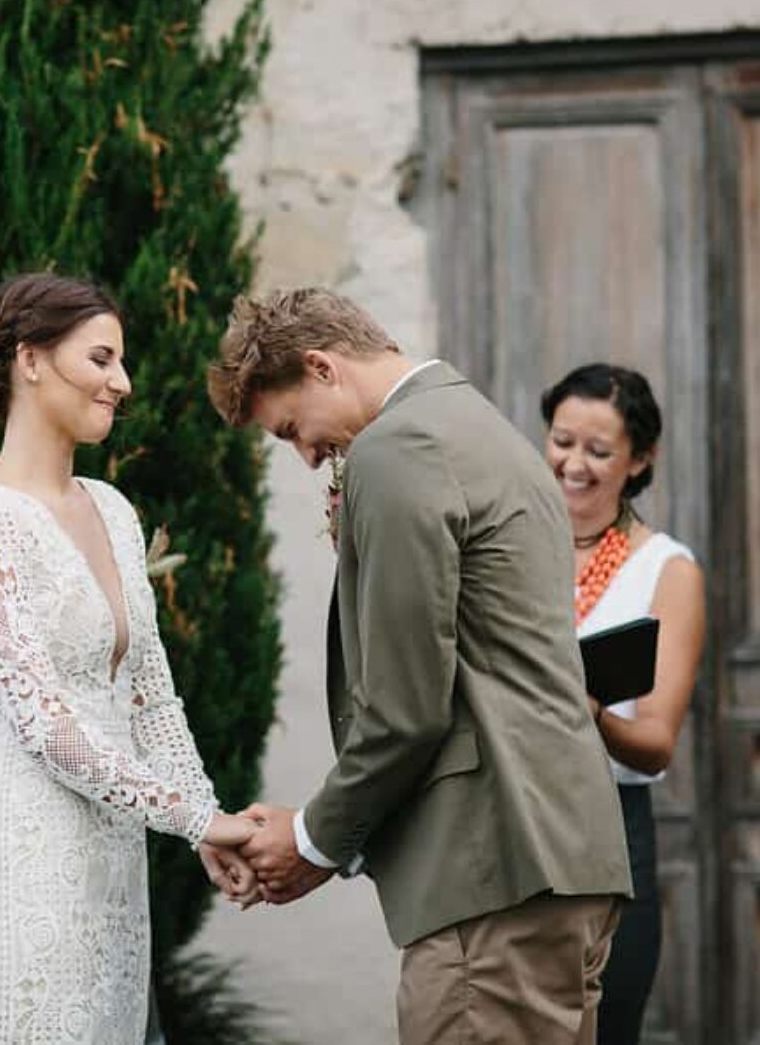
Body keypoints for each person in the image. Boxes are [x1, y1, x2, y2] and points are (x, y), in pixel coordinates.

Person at [205, 289, 632, 1045]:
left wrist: (311, 839)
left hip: (496, 872)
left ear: (322, 366)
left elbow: (407, 708)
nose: (308, 456)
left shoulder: (397, 447)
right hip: (560, 855)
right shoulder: (477, 425)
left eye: (293, 429)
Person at [0, 273, 257, 1044]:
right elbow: (45, 726)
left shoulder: (113, 510)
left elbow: (152, 696)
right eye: (103, 358)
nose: (124, 381)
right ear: (31, 359)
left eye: (121, 363)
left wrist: (205, 821)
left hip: (113, 874)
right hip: (26, 867)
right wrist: (194, 818)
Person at [543, 364, 705, 1045]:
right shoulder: (507, 548)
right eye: (560, 440)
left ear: (640, 460)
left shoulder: (666, 569)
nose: (572, 464)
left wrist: (593, 714)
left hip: (610, 833)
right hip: (511, 824)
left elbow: (658, 740)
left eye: (598, 450)